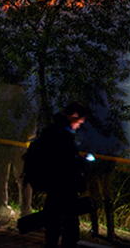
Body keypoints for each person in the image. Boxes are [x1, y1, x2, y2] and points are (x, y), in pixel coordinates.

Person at [23, 103, 89, 248]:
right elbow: (65, 162)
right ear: (74, 116)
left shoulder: (51, 130)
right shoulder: (63, 135)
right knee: (70, 225)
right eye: (79, 122)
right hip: (64, 185)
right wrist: (81, 162)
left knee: (53, 222)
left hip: (53, 185)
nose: (78, 126)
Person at [0, 71, 36, 220]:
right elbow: (32, 121)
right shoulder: (24, 99)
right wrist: (27, 136)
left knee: (1, 177)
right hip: (19, 145)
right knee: (23, 179)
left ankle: (3, 208)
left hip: (2, 143)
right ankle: (25, 211)